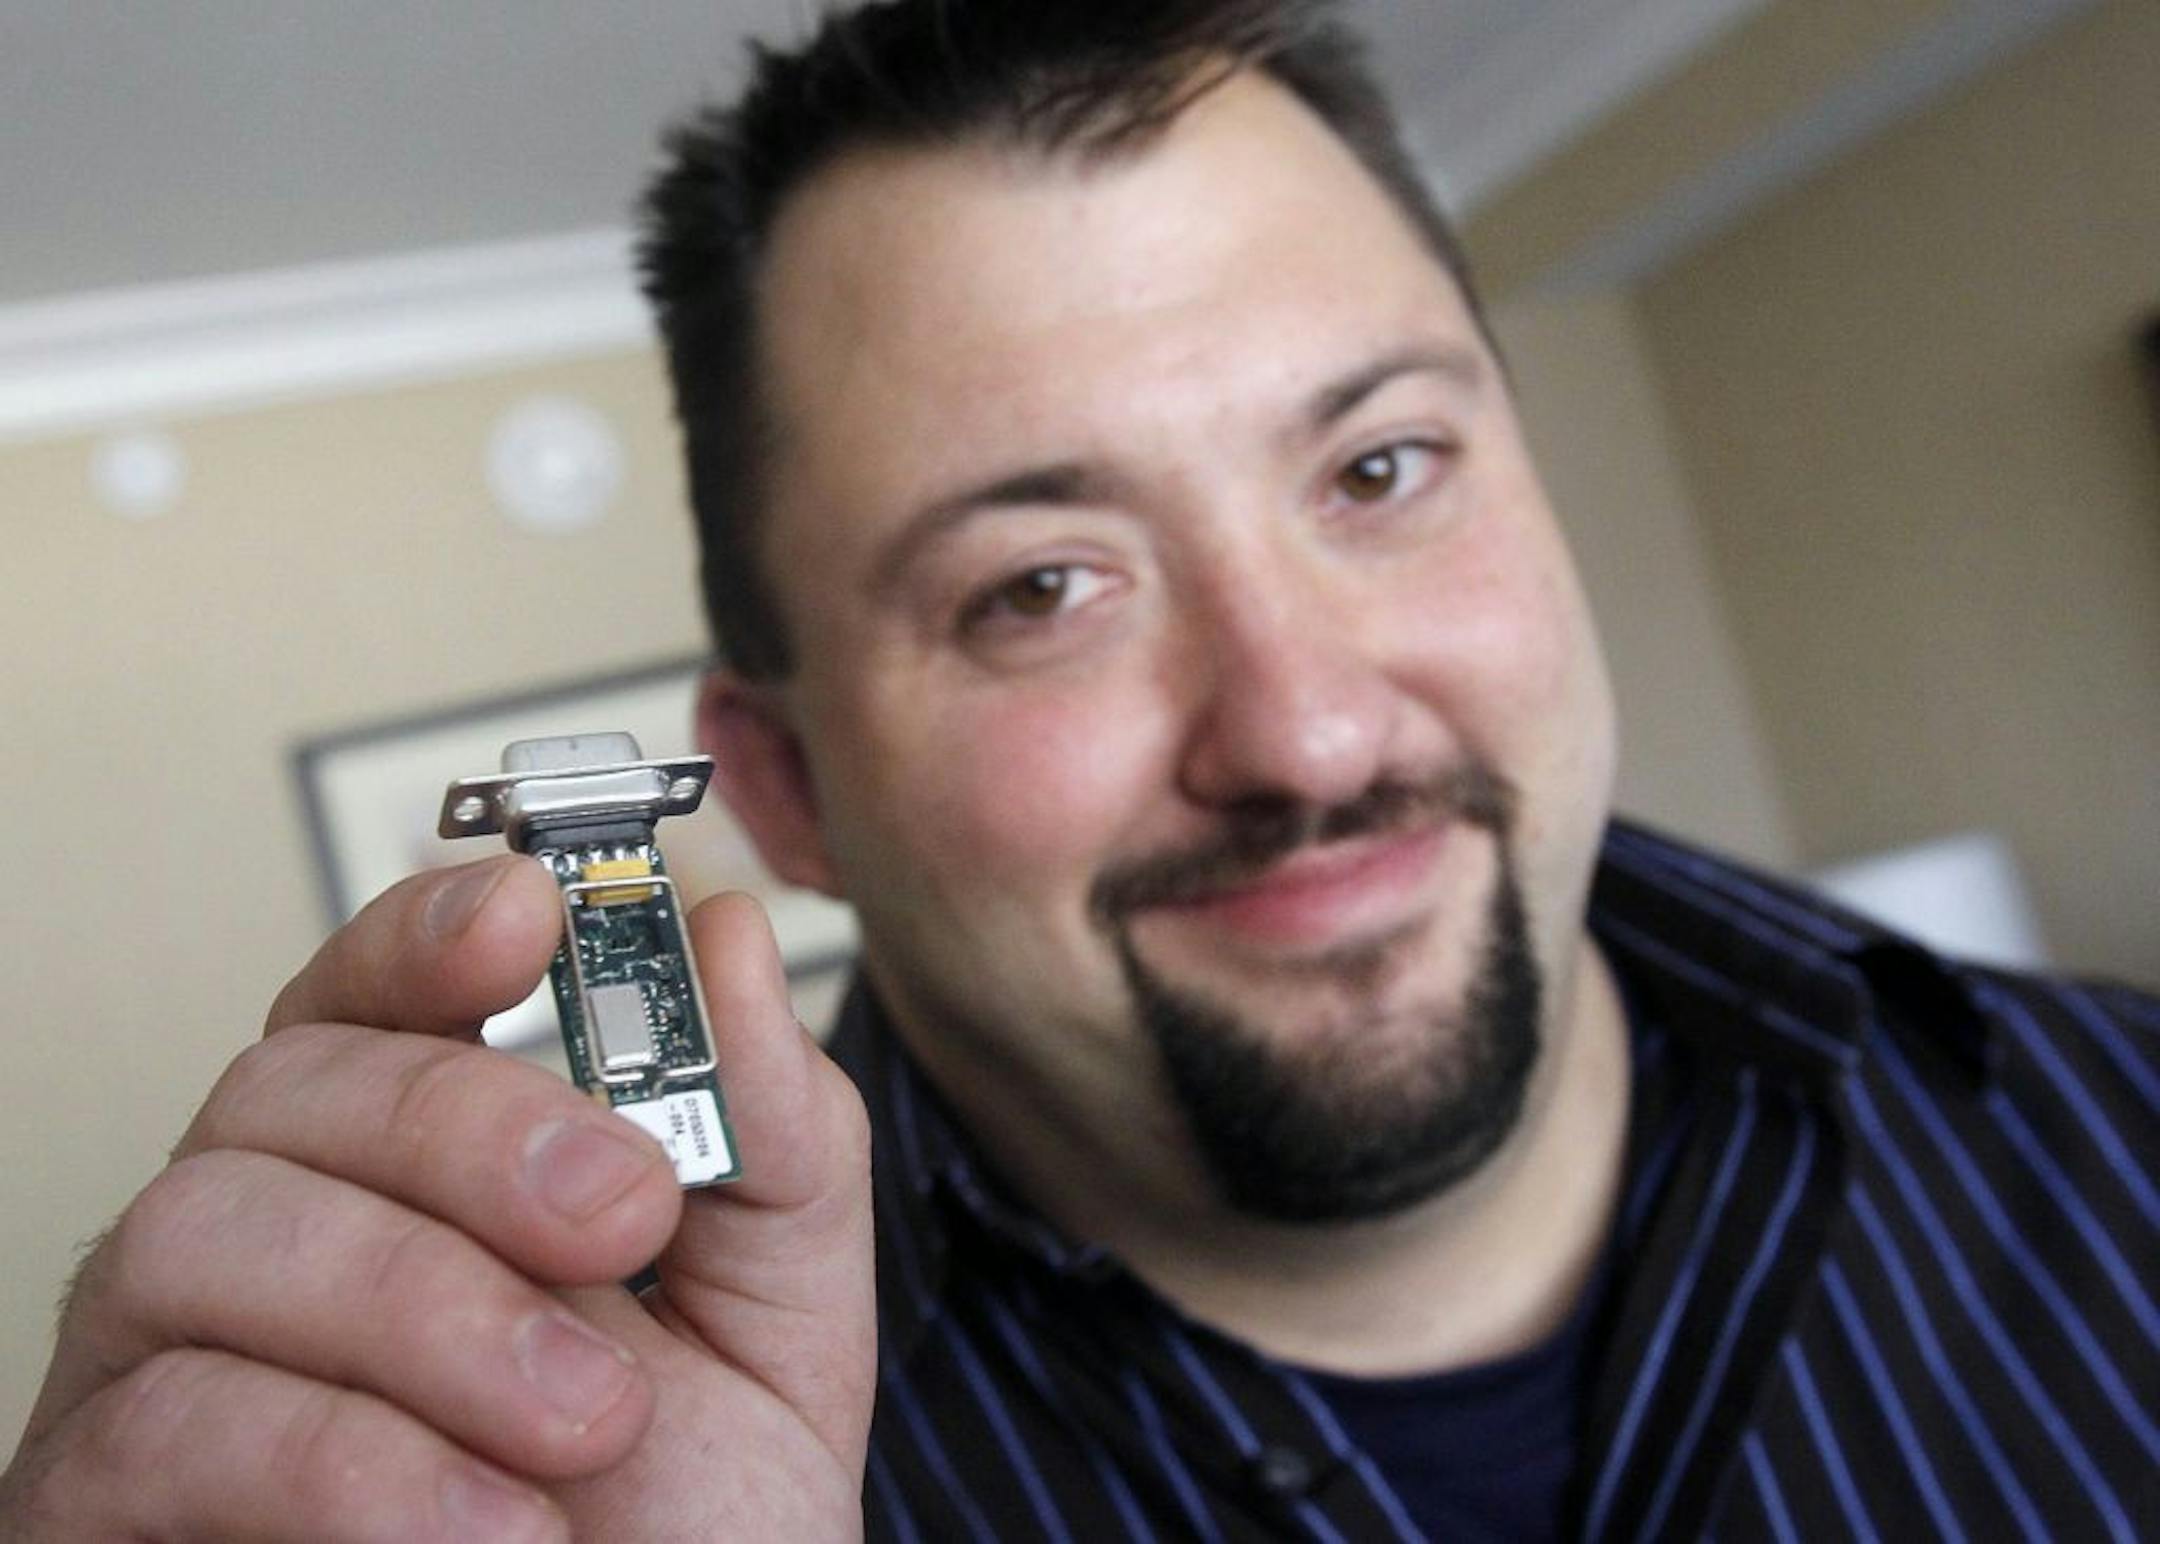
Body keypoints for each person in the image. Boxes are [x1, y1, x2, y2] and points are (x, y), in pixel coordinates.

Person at [3, 0, 2153, 1539]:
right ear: (786, 787)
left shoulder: (2127, 1136)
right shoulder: (594, 1475)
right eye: (1040, 586)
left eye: (1381, 465)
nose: (1306, 732)